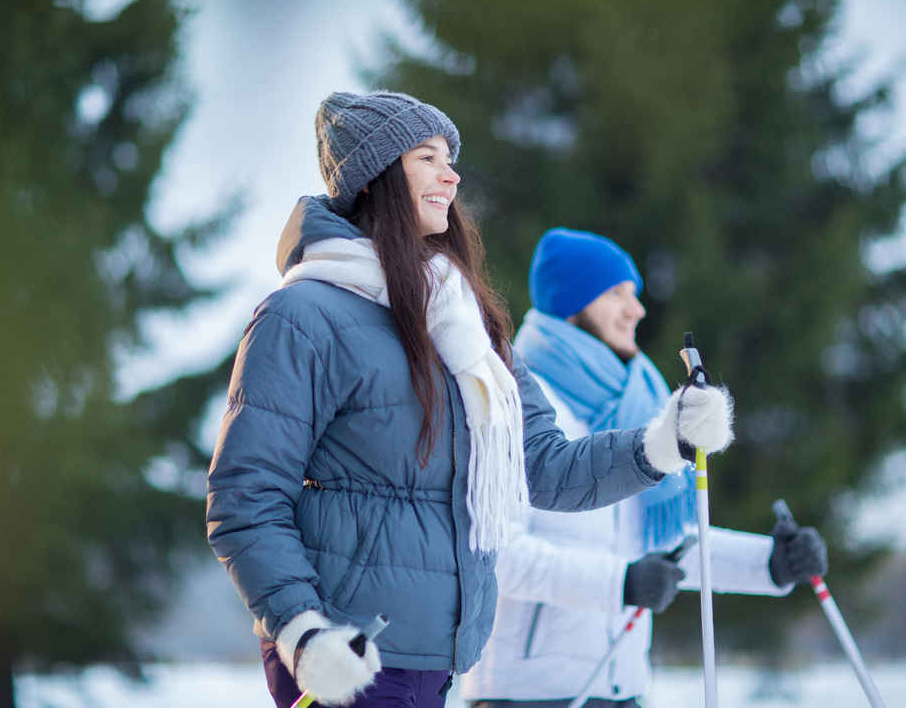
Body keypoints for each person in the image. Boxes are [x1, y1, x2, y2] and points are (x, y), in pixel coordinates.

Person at [205, 93, 734, 708]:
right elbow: (245, 497)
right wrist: (302, 630)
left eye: (450, 158)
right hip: (342, 655)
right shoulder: (303, 315)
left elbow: (546, 468)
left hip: (438, 655)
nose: (451, 174)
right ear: (374, 177)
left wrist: (666, 440)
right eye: (427, 157)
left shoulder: (467, 327)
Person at [460, 229, 829, 708]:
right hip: (530, 694)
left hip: (622, 687)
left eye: (634, 294)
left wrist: (770, 564)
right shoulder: (516, 402)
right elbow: (498, 556)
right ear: (571, 304)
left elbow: (664, 547)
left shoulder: (636, 404)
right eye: (616, 294)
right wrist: (621, 583)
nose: (636, 310)